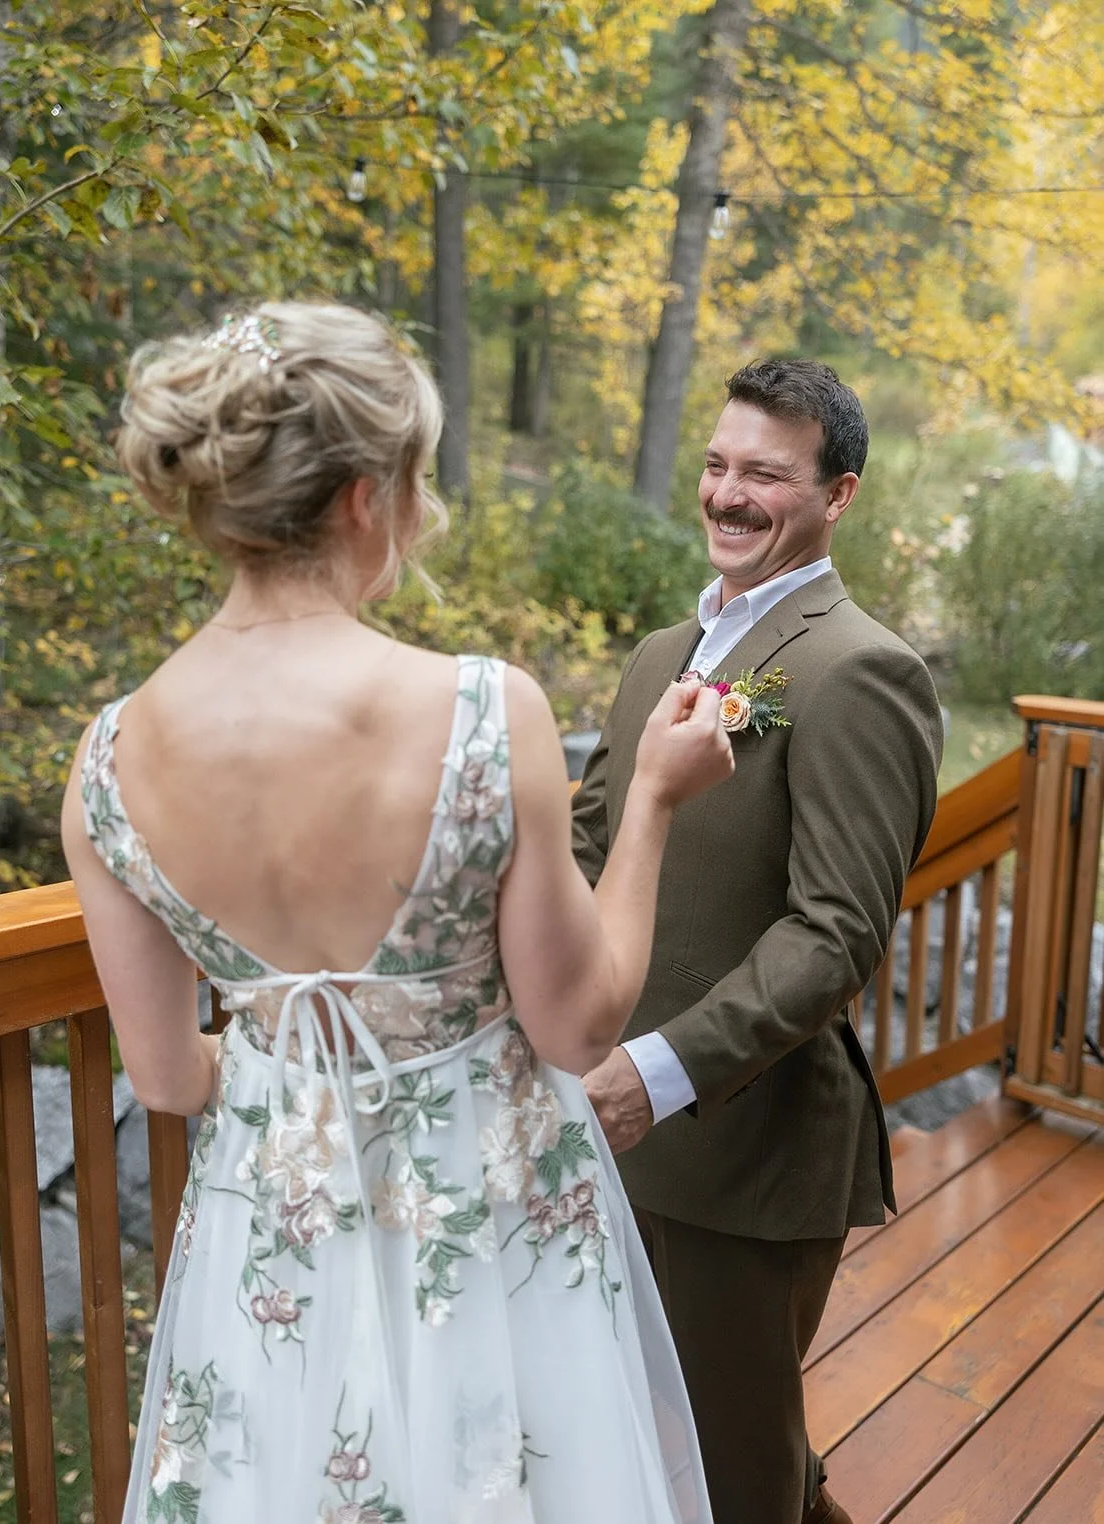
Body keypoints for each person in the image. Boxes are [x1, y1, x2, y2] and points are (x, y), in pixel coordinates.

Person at [61, 302, 736, 1524]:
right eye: (417, 480)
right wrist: (649, 802)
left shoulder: (107, 759)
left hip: (278, 1237)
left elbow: (165, 1077)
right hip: (488, 1229)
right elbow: (581, 1026)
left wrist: (298, 1060)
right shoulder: (483, 710)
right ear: (365, 497)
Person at [572, 360, 943, 1524]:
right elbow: (584, 853)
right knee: (658, 1432)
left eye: (766, 475)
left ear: (839, 495)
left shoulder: (860, 671)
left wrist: (656, 1074)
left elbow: (835, 935)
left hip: (739, 1152)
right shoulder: (657, 657)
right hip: (600, 1128)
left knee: (733, 1471)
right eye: (720, 465)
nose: (729, 495)